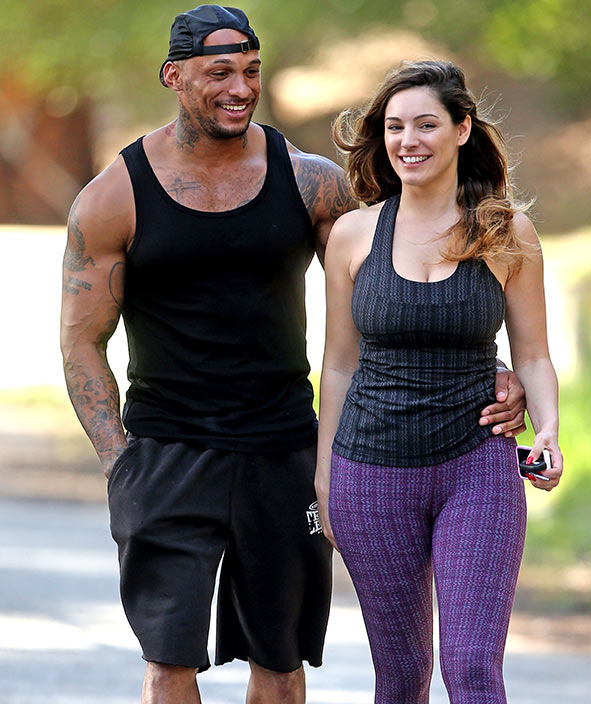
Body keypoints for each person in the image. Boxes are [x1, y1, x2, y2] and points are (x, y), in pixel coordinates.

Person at [60, 5, 526, 700]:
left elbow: (398, 284)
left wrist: (487, 368)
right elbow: (80, 338)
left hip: (283, 451)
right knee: (169, 664)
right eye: (220, 73)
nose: (241, 88)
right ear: (174, 76)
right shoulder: (114, 197)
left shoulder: (310, 181)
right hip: (165, 451)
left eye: (251, 71)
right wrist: (117, 459)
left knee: (279, 666)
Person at [316, 60, 563, 704]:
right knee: (399, 680)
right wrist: (325, 476)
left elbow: (532, 354)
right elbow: (338, 364)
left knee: (474, 669)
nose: (408, 141)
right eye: (395, 127)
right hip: (369, 471)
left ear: (462, 130)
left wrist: (550, 429)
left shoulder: (506, 232)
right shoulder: (351, 236)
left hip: (477, 465)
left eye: (427, 124)